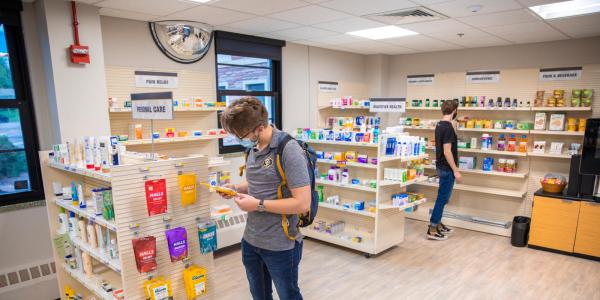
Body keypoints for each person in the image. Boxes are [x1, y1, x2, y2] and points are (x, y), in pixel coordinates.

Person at [218, 97, 311, 300]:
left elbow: (302, 202)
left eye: (240, 135)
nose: (238, 138)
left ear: (259, 127)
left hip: (281, 244)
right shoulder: (253, 147)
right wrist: (235, 188)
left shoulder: (288, 149)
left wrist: (258, 205)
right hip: (251, 240)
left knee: (289, 295)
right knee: (259, 295)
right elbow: (263, 185)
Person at [428, 100, 462, 240]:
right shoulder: (447, 128)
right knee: (442, 198)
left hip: (441, 165)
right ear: (454, 110)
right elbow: (447, 152)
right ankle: (433, 228)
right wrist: (456, 170)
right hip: (447, 168)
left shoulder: (440, 124)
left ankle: (438, 222)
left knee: (443, 197)